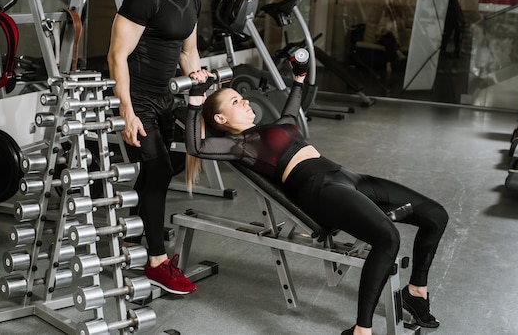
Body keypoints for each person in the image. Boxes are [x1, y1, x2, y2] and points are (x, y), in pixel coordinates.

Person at [182, 61, 448, 335]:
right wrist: (195, 99)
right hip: (320, 189)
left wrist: (299, 77)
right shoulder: (240, 145)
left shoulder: (279, 124)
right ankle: (361, 330)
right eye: (236, 101)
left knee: (436, 215)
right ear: (220, 120)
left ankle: (415, 292)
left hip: (348, 177)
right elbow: (197, 146)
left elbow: (291, 110)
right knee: (388, 238)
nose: (245, 100)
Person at [106, 0, 213, 295]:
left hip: (167, 100)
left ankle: (133, 240)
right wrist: (127, 111)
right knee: (159, 169)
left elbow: (188, 51)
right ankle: (156, 260)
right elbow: (116, 56)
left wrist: (196, 75)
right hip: (139, 101)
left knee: (155, 175)